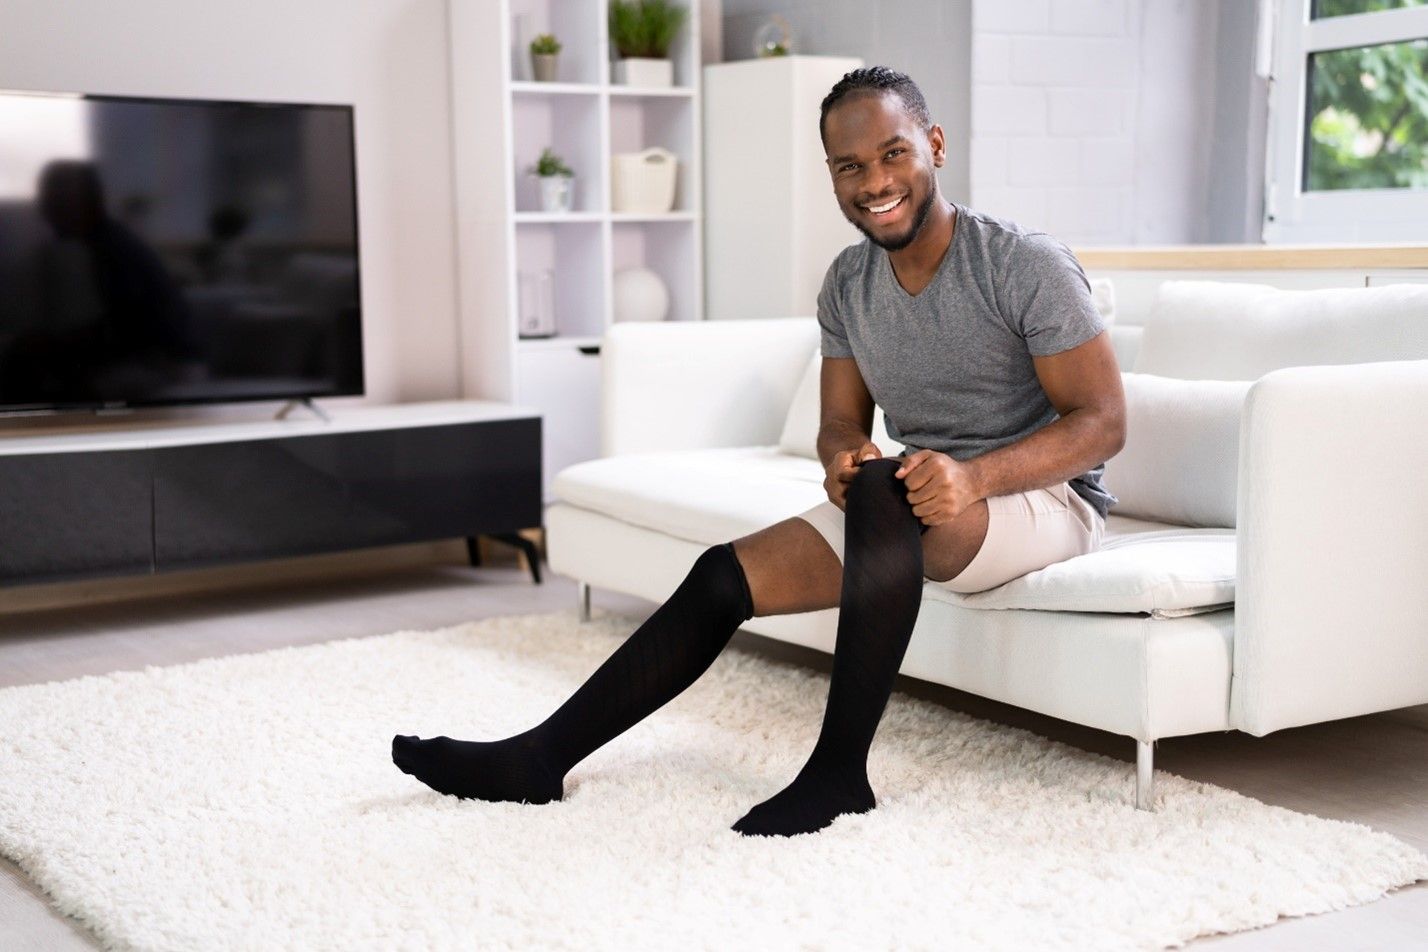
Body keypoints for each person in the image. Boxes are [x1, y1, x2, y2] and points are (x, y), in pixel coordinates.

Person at [393, 66, 1126, 838]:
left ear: (934, 145)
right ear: (832, 175)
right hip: (917, 500)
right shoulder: (848, 283)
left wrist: (973, 477)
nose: (875, 182)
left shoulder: (1021, 264)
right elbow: (839, 421)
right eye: (850, 166)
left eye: (894, 154)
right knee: (723, 575)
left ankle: (839, 775)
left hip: (1045, 499)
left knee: (886, 492)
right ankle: (538, 761)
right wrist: (842, 456)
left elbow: (1104, 421)